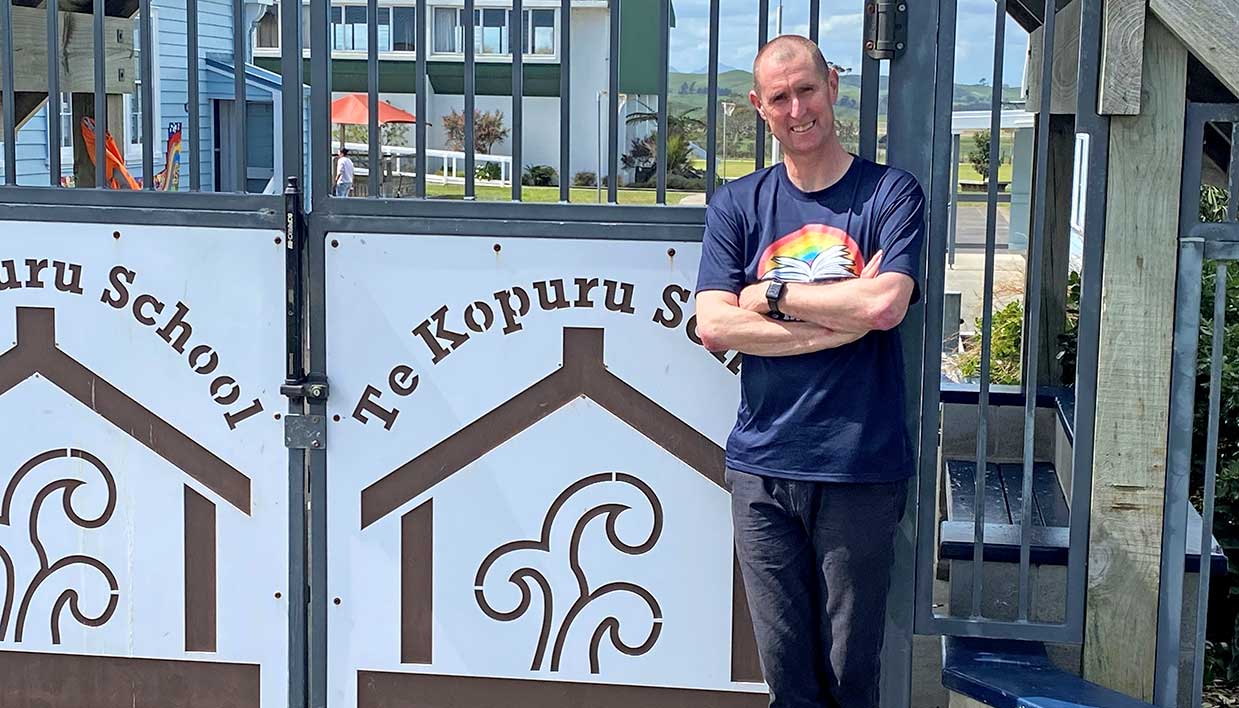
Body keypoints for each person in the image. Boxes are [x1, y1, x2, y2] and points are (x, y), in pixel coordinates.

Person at [694, 34, 925, 708]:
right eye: (779, 97)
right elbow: (712, 324)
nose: (797, 109)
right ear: (758, 108)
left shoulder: (888, 193)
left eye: (806, 89)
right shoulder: (736, 205)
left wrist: (769, 296)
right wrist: (839, 323)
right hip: (763, 470)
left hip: (859, 467)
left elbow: (885, 304)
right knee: (787, 675)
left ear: (832, 84)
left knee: (852, 674)